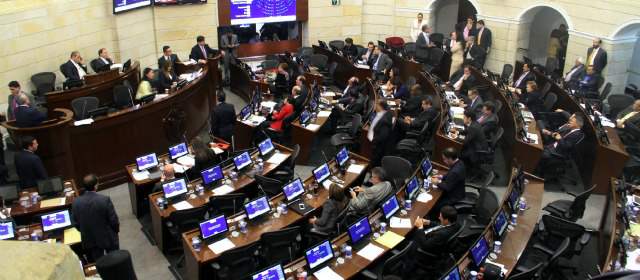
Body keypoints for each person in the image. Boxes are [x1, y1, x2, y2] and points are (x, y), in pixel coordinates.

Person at [71, 174, 120, 262]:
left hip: (90, 239)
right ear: (96, 186)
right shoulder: (104, 200)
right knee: (115, 260)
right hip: (108, 237)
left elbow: (75, 223)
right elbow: (114, 221)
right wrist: (115, 232)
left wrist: (85, 230)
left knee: (98, 264)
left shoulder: (76, 202)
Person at [429, 148, 466, 214]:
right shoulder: (459, 162)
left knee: (434, 206)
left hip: (453, 196)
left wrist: (437, 182)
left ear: (450, 159)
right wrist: (441, 176)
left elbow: (447, 187)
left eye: (444, 159)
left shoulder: (455, 172)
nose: (444, 161)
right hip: (457, 190)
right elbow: (450, 174)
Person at [451, 110, 487, 176]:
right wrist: (457, 132)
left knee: (457, 152)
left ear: (469, 118)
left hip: (475, 150)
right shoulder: (474, 123)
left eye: (464, 117)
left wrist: (455, 137)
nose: (463, 119)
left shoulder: (473, 127)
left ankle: (458, 172)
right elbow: (466, 131)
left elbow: (465, 141)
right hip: (476, 146)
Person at [368, 100, 394, 167]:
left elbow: (382, 137)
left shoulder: (384, 121)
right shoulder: (386, 113)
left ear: (380, 106)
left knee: (374, 164)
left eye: (376, 105)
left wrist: (373, 141)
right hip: (375, 143)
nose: (375, 106)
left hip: (378, 148)